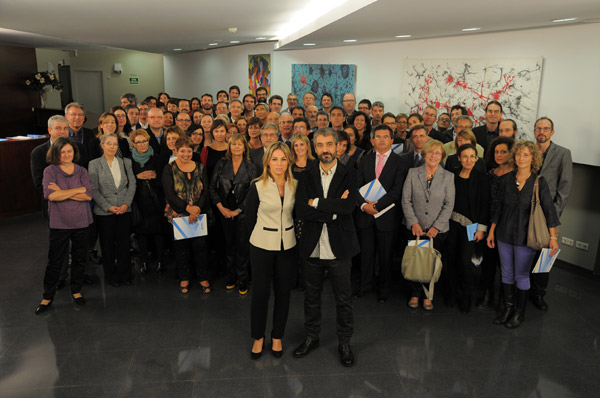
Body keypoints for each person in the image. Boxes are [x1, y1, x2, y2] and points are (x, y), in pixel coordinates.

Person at [293, 128, 359, 367]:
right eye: (319, 145)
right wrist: (332, 210)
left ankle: (344, 342)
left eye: (329, 144)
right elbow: (302, 210)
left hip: (339, 247)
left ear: (338, 146)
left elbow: (348, 207)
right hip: (312, 246)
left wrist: (318, 203)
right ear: (314, 148)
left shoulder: (350, 175)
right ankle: (312, 337)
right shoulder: (306, 175)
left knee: (343, 299)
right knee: (311, 297)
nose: (325, 150)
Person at [487, 141, 560, 328]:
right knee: (506, 272)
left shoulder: (539, 182)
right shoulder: (506, 180)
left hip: (526, 237)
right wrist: (492, 232)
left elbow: (549, 211)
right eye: (519, 154)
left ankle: (519, 312)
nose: (521, 158)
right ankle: (508, 309)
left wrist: (553, 238)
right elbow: (498, 208)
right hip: (503, 234)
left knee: (521, 274)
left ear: (533, 158)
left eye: (526, 155)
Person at [245, 142, 297, 359]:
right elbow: (249, 219)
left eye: (283, 159)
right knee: (260, 293)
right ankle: (258, 336)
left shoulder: (296, 185)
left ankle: (277, 336)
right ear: (267, 162)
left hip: (288, 245)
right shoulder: (257, 186)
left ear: (289, 161)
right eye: (274, 159)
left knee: (284, 292)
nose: (279, 163)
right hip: (262, 245)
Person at [35, 137, 94, 314]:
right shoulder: (49, 171)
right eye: (62, 152)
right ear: (56, 153)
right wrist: (77, 190)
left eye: (69, 151)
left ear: (74, 152)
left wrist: (62, 191)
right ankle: (47, 296)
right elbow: (51, 196)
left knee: (79, 258)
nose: (66, 154)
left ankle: (76, 291)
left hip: (82, 220)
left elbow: (89, 195)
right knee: (55, 260)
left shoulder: (82, 170)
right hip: (59, 222)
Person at [401, 139, 455, 311]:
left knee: (431, 262)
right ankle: (414, 293)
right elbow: (406, 200)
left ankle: (428, 295)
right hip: (414, 228)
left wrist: (436, 227)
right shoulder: (412, 173)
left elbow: (449, 204)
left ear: (442, 156)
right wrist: (413, 222)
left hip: (437, 230)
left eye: (437, 153)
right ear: (424, 154)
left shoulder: (448, 177)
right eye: (430, 152)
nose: (433, 155)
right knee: (415, 260)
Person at [355, 125, 405, 302]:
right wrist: (363, 206)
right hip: (365, 215)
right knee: (366, 255)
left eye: (386, 137)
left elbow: (397, 190)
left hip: (387, 216)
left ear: (392, 140)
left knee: (385, 256)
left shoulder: (400, 162)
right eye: (378, 137)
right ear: (372, 140)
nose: (381, 140)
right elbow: (357, 186)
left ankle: (384, 289)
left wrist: (377, 205)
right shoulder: (365, 160)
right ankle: (365, 285)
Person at [530, 117, 572, 311]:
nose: (542, 132)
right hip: (527, 211)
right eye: (538, 128)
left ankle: (539, 294)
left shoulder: (563, 153)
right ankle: (524, 287)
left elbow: (564, 187)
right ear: (534, 131)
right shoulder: (528, 150)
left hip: (548, 214)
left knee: (545, 254)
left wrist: (553, 215)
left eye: (546, 129)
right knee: (527, 252)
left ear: (552, 132)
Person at [162, 136, 212, 294]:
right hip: (178, 214)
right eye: (182, 150)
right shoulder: (169, 168)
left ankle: (203, 277)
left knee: (201, 247)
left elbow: (205, 191)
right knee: (181, 248)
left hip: (199, 213)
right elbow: (170, 195)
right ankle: (184, 277)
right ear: (175, 151)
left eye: (189, 150)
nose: (185, 154)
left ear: (193, 151)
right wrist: (187, 209)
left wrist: (196, 209)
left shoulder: (200, 167)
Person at [210, 134, 258, 294]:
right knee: (228, 244)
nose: (237, 147)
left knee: (242, 245)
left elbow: (253, 192)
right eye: (233, 144)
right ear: (229, 147)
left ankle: (243, 278)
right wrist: (222, 208)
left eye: (240, 144)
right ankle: (232, 276)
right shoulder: (222, 163)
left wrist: (238, 210)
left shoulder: (250, 166)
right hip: (224, 211)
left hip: (243, 212)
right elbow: (212, 188)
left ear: (245, 147)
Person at [445, 144, 490, 313]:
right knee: (450, 260)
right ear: (458, 158)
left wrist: (481, 229)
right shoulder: (452, 176)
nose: (469, 160)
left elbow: (485, 205)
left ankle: (466, 297)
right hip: (450, 224)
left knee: (465, 262)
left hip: (471, 227)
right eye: (465, 156)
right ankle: (451, 294)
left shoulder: (482, 178)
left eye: (472, 156)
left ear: (476, 158)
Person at [88, 133, 136, 287]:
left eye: (115, 144)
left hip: (124, 209)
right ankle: (111, 275)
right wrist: (108, 206)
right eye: (108, 143)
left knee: (123, 244)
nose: (112, 147)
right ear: (102, 145)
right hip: (104, 212)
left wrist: (125, 204)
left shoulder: (126, 162)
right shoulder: (94, 164)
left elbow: (132, 185)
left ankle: (125, 274)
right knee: (107, 245)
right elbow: (93, 190)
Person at [476, 136, 515, 308]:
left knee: (505, 263)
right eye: (496, 152)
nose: (499, 155)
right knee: (488, 262)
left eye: (503, 152)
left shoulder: (516, 175)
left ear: (511, 153)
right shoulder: (490, 174)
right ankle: (486, 293)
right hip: (488, 222)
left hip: (507, 224)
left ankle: (504, 297)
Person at [130, 129, 166, 274]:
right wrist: (138, 177)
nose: (142, 144)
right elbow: (127, 180)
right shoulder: (129, 160)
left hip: (156, 201)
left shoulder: (157, 158)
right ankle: (144, 261)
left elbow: (163, 180)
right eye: (138, 142)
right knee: (141, 234)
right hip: (139, 202)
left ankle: (161, 261)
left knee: (159, 233)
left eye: (145, 141)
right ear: (133, 144)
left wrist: (154, 176)